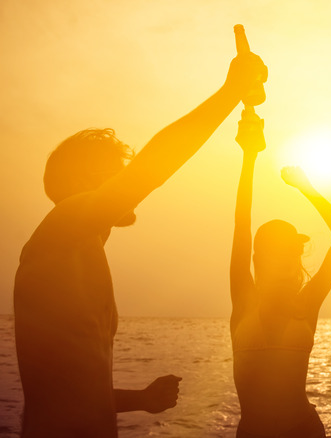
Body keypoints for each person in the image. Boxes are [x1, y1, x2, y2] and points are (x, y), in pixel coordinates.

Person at [13, 46, 265, 437]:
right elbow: (151, 169)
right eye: (116, 173)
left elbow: (69, 391)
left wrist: (140, 400)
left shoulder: (76, 254)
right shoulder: (62, 225)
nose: (127, 179)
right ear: (80, 182)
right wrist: (231, 90)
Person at [229, 109, 331, 437]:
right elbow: (242, 222)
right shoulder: (243, 300)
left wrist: (307, 188)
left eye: (293, 250)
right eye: (280, 249)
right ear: (260, 256)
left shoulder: (306, 304)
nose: (289, 256)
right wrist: (250, 155)